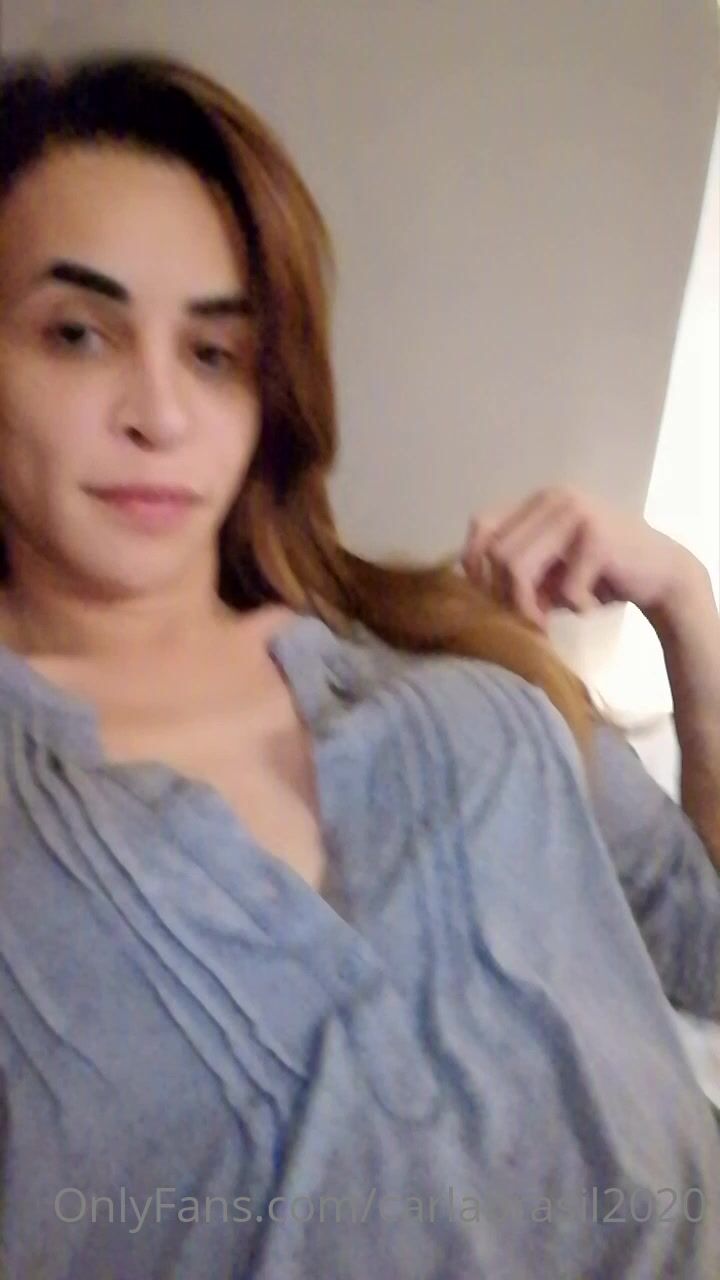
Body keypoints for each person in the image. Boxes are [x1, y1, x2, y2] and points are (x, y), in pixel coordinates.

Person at [0, 49, 717, 1280]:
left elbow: (706, 943)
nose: (160, 414)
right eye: (79, 333)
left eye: (215, 353)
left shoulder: (452, 657)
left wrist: (688, 611)